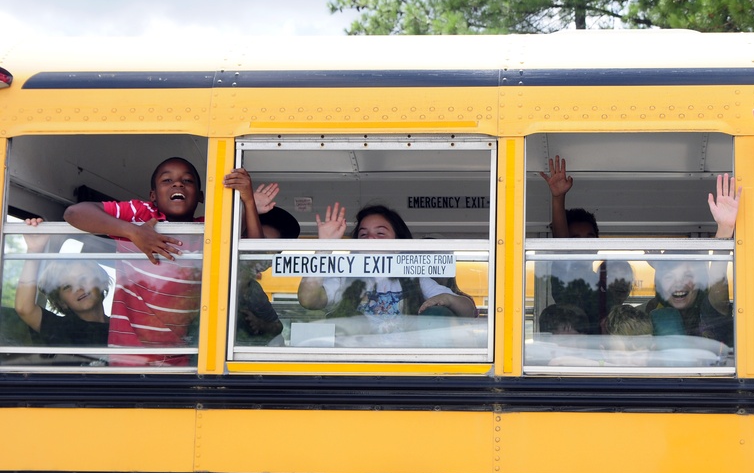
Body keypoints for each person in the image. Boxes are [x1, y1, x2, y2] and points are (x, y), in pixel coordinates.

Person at [63, 158, 262, 365]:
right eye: (167, 180)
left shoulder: (209, 229)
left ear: (201, 197)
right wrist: (134, 233)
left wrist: (248, 201)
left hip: (181, 357)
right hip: (129, 357)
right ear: (153, 196)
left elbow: (255, 259)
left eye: (187, 180)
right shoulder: (140, 215)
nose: (178, 184)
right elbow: (74, 213)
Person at [297, 203, 477, 328]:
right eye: (363, 234)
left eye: (380, 234)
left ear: (399, 244)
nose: (370, 239)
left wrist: (448, 299)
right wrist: (324, 248)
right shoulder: (345, 276)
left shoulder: (413, 277)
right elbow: (309, 300)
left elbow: (469, 311)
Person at [537, 155, 634, 334]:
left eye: (589, 237)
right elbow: (561, 241)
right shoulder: (565, 274)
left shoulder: (601, 283)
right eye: (575, 238)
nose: (583, 243)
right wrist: (558, 198)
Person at [647, 174, 740, 347]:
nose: (679, 283)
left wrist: (725, 230)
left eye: (687, 275)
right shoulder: (650, 314)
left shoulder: (711, 310)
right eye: (669, 276)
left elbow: (717, 278)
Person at [14, 217, 110, 347]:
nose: (78, 288)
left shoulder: (125, 327)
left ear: (102, 283)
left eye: (82, 279)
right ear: (61, 302)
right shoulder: (62, 328)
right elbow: (24, 308)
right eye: (67, 287)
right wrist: (34, 250)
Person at [235, 205, 301, 345]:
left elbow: (277, 326)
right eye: (257, 241)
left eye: (272, 251)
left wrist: (261, 324)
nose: (262, 254)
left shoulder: (254, 290)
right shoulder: (205, 276)